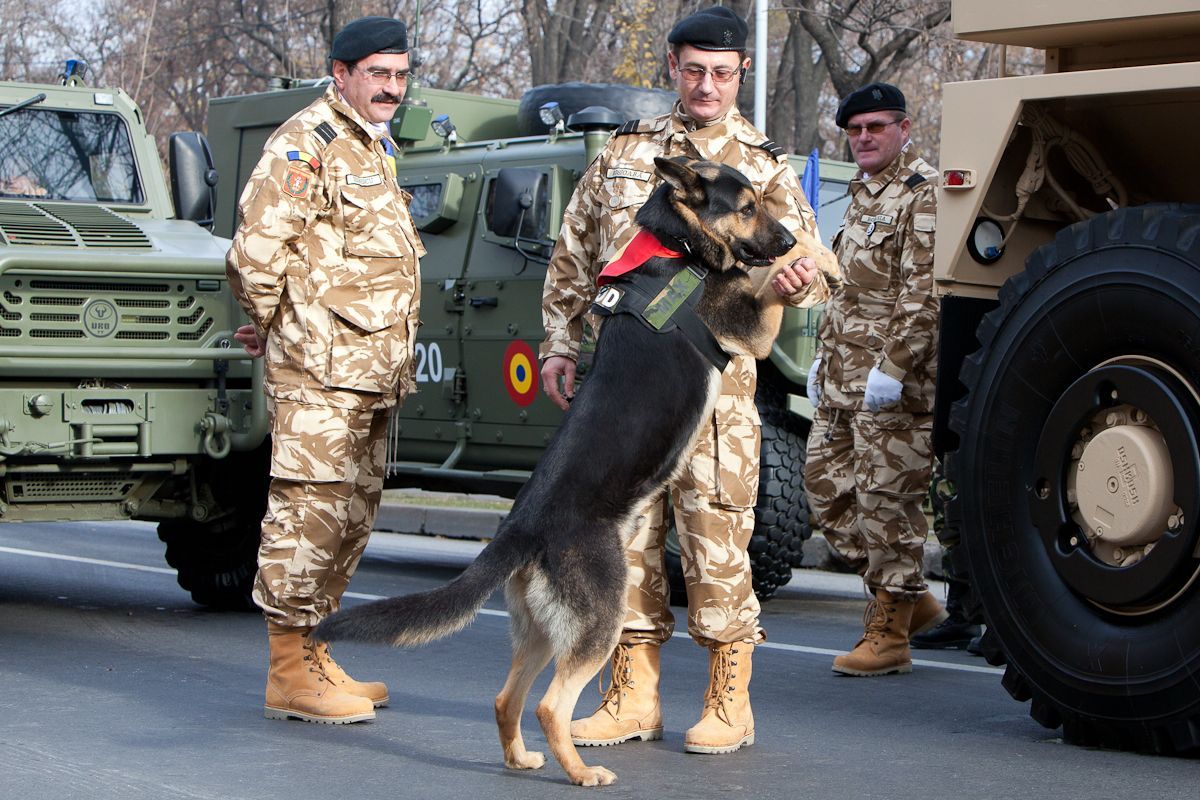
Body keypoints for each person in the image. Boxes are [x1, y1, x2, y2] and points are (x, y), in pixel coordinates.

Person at [540, 5, 837, 755]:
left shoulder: (762, 167)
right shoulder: (622, 155)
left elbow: (820, 268)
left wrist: (799, 280)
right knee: (628, 539)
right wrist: (558, 345)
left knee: (716, 539)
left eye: (722, 73)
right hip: (629, 387)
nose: (706, 85)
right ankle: (631, 693)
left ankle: (728, 699)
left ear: (741, 75)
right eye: (694, 69)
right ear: (672, 67)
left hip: (715, 393)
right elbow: (574, 254)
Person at [226, 15, 425, 724]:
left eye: (400, 76)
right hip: (321, 372)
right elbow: (254, 255)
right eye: (378, 74)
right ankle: (287, 668)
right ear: (341, 74)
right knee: (308, 509)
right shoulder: (305, 144)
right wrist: (283, 325)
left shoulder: (370, 147)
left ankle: (315, 648)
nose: (391, 89)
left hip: (371, 373)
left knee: (349, 513)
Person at [804, 82, 947, 677]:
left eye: (876, 128)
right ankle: (910, 598)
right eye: (855, 129)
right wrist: (821, 358)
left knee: (888, 502)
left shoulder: (924, 193)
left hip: (895, 385)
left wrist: (893, 368)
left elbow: (925, 294)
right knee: (824, 487)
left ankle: (890, 633)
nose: (863, 138)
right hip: (844, 378)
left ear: (904, 128)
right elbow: (849, 292)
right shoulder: (862, 193)